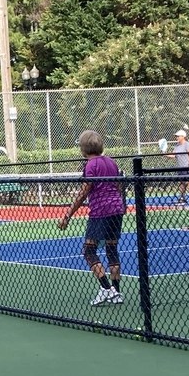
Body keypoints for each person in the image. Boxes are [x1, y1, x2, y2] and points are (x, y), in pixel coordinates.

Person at [57, 131, 126, 305]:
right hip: (116, 209)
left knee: (89, 250)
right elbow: (118, 186)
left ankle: (106, 288)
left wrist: (67, 215)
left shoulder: (90, 165)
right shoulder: (111, 162)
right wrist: (119, 206)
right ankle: (116, 292)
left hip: (100, 211)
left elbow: (84, 192)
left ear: (84, 148)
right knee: (111, 249)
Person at [168, 129, 189, 206]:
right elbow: (173, 155)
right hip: (180, 168)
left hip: (188, 167)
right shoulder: (177, 146)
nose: (176, 137)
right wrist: (164, 154)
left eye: (178, 136)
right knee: (182, 184)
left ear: (183, 136)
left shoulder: (187, 144)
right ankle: (182, 198)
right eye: (176, 136)